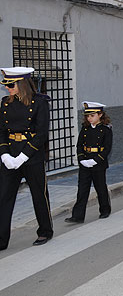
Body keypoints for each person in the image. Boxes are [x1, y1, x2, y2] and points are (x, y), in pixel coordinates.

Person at [0, 67, 53, 249]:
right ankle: (1, 239)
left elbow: (41, 134)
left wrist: (23, 156)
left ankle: (45, 231)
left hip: (31, 154)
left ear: (22, 84)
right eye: (6, 85)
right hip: (10, 154)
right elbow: (2, 132)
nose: (8, 88)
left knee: (39, 195)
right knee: (4, 196)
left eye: (11, 85)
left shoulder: (39, 102)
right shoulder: (5, 103)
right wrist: (5, 154)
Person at [65, 102, 113, 224]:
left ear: (100, 115)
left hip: (98, 162)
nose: (89, 118)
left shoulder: (106, 129)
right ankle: (78, 216)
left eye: (92, 115)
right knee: (82, 189)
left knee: (100, 187)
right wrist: (82, 159)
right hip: (85, 162)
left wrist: (95, 160)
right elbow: (79, 145)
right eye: (88, 116)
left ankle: (105, 210)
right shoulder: (85, 128)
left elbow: (107, 148)